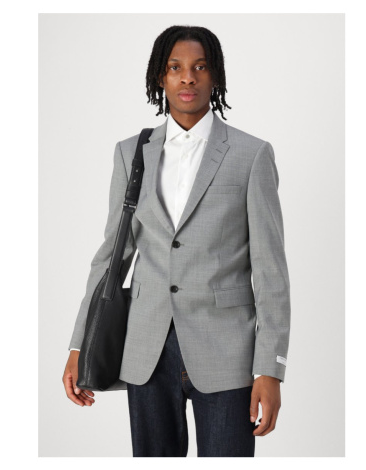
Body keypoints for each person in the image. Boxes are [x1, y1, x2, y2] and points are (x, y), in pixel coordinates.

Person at [62, 25, 291, 457]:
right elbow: (110, 257)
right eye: (175, 67)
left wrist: (271, 368)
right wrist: (79, 344)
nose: (188, 77)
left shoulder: (251, 154)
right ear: (160, 77)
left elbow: (271, 271)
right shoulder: (131, 152)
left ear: (215, 75)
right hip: (146, 350)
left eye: (200, 67)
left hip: (227, 352)